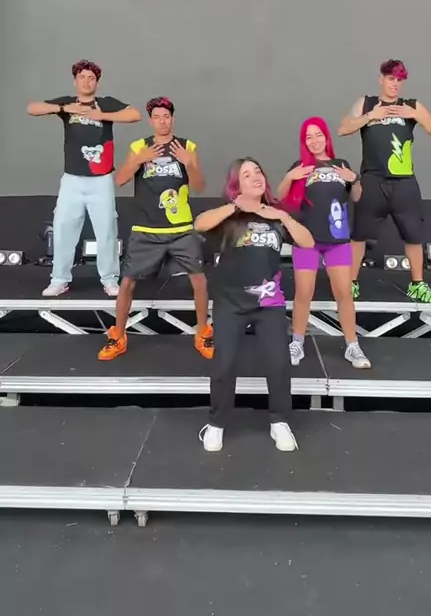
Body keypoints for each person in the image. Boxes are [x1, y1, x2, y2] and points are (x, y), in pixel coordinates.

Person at [194, 157, 314, 453]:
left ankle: (279, 422)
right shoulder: (229, 216)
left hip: (269, 302)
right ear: (237, 184)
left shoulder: (276, 215)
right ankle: (217, 423)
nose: (256, 177)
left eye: (258, 171)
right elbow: (200, 223)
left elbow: (308, 242)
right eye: (247, 175)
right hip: (230, 301)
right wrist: (236, 205)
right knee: (224, 364)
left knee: (278, 362)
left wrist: (282, 216)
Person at [98, 96, 213, 361]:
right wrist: (138, 160)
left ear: (173, 119)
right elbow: (120, 179)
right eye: (157, 117)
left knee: (199, 279)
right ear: (151, 121)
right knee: (127, 282)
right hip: (146, 228)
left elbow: (199, 186)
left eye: (166, 117)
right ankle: (118, 336)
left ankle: (202, 334)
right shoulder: (140, 146)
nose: (162, 121)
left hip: (181, 227)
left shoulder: (187, 146)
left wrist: (189, 163)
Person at [27, 60, 141, 298]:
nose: (86, 81)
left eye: (91, 78)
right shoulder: (67, 104)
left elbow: (135, 114)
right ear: (75, 81)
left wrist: (102, 115)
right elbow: (32, 108)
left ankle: (109, 279)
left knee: (106, 230)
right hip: (72, 179)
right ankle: (59, 279)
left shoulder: (105, 103)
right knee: (63, 228)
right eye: (82, 77)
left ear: (96, 82)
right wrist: (63, 109)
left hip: (101, 179)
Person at [338, 59, 431, 302]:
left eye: (399, 80)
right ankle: (351, 283)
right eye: (391, 78)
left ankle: (417, 285)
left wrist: (415, 115)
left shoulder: (411, 105)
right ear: (381, 79)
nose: (395, 84)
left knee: (413, 235)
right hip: (372, 180)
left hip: (403, 182)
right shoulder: (366, 103)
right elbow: (343, 128)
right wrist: (370, 116)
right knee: (359, 235)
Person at [278, 117, 370, 370]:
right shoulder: (300, 167)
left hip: (337, 240)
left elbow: (357, 197)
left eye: (318, 134)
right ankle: (297, 342)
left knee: (344, 294)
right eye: (308, 137)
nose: (314, 140)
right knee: (303, 293)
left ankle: (352, 345)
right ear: (304, 142)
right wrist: (290, 177)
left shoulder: (341, 165)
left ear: (326, 137)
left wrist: (354, 179)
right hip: (307, 241)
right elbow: (281, 197)